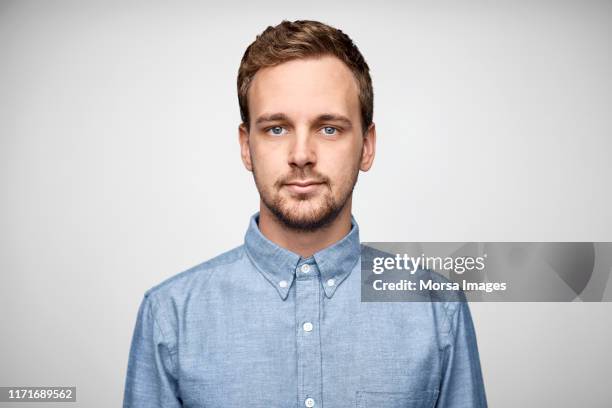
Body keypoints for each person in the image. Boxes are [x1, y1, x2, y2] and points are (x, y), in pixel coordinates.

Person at [123, 19, 487, 408]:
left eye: (329, 129)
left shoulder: (438, 312)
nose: (301, 155)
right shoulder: (169, 317)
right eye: (276, 129)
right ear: (247, 147)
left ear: (367, 145)